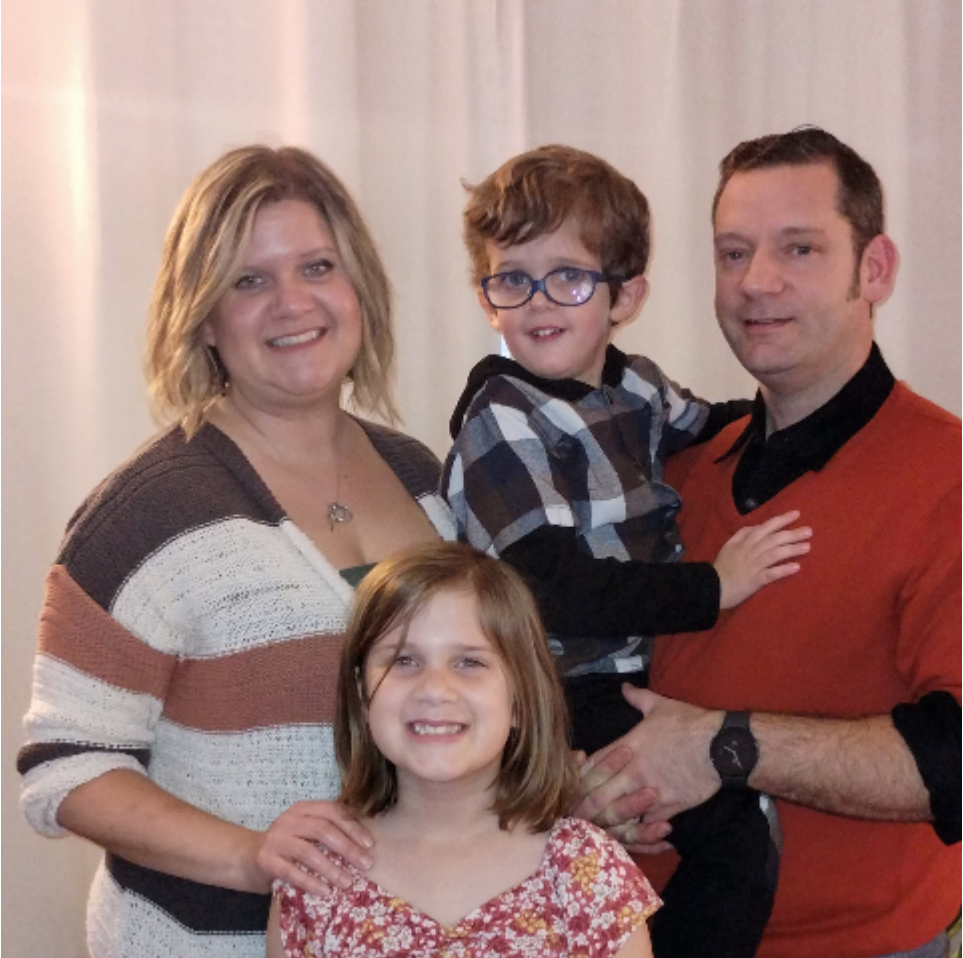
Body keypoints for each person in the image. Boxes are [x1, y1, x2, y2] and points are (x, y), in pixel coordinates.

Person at [17, 145, 455, 957]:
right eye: (248, 281)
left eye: (317, 266)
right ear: (205, 318)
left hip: (394, 935)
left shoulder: (422, 479)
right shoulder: (147, 514)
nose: (293, 303)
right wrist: (251, 856)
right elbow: (65, 768)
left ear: (358, 287)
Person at [575, 128, 962, 958]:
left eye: (799, 248)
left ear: (874, 269)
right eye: (732, 253)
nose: (756, 281)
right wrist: (583, 786)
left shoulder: (947, 477)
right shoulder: (669, 471)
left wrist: (721, 745)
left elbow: (953, 759)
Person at [442, 144, 812, 956]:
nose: (539, 301)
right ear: (485, 296)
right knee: (736, 831)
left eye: (568, 278)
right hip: (555, 690)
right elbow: (554, 588)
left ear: (626, 294)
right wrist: (711, 587)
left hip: (632, 675)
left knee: (702, 841)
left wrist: (800, 411)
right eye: (511, 279)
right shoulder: (502, 417)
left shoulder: (632, 383)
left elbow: (711, 424)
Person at [268, 541, 660, 957]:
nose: (435, 688)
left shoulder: (586, 869)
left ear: (522, 700)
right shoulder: (315, 875)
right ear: (363, 695)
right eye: (403, 660)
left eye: (469, 662)